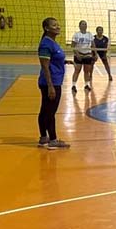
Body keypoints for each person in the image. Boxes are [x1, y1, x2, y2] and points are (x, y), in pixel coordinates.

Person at [37, 17, 71, 149]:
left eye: (58, 24)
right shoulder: (46, 44)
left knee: (45, 110)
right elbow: (45, 66)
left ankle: (43, 138)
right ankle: (53, 140)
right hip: (51, 82)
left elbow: (52, 60)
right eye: (54, 25)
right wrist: (51, 86)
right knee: (50, 111)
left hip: (52, 81)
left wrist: (64, 62)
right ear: (46, 28)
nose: (58, 27)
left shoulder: (52, 42)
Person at [70, 20, 94, 92]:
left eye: (85, 24)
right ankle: (73, 85)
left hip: (87, 54)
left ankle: (86, 85)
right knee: (77, 70)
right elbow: (73, 46)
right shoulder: (76, 35)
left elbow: (93, 45)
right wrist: (77, 54)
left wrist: (95, 54)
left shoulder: (89, 34)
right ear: (79, 26)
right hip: (79, 54)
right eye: (83, 24)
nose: (84, 25)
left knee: (86, 71)